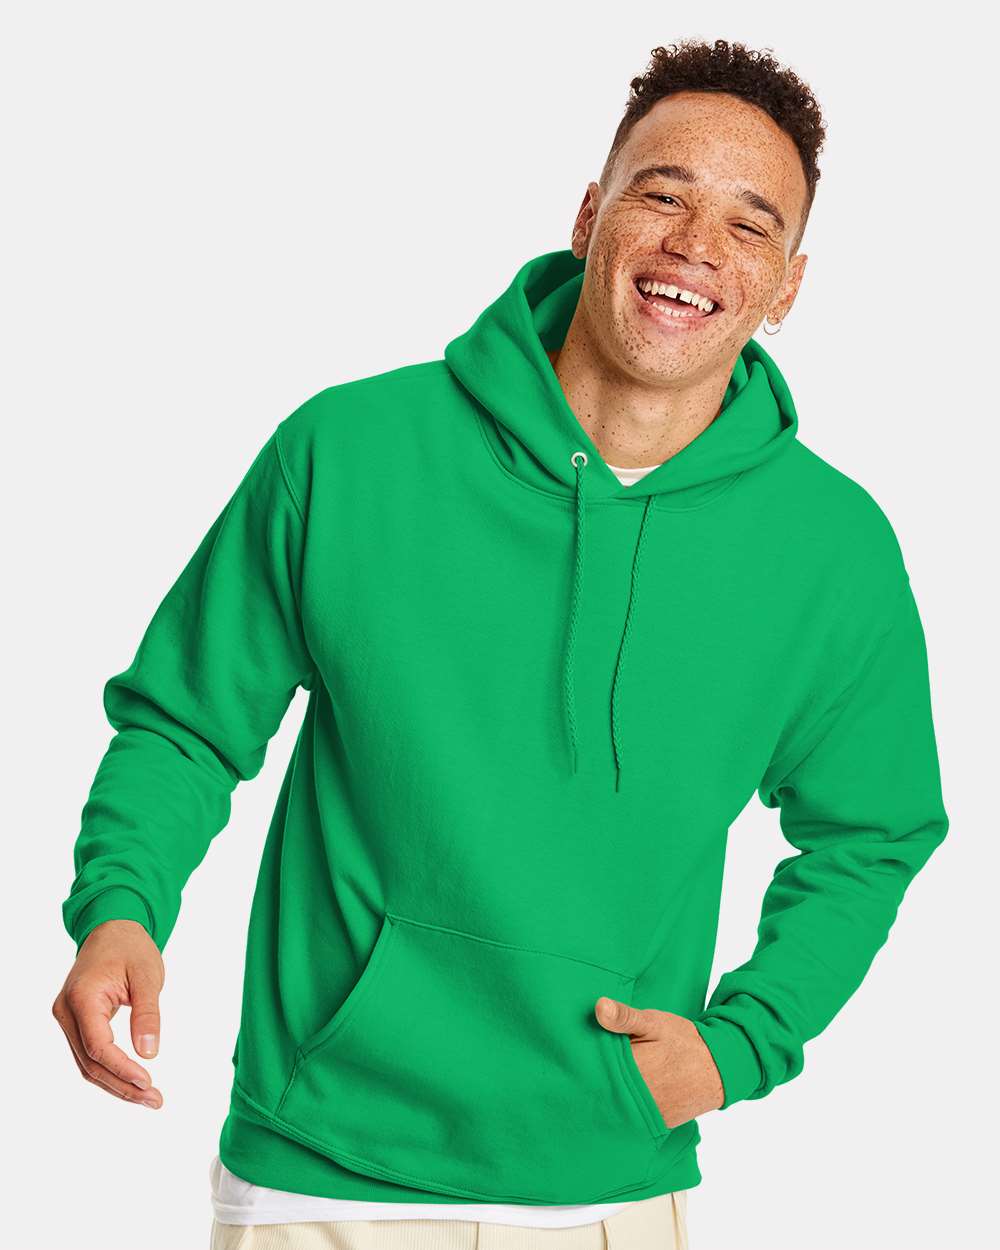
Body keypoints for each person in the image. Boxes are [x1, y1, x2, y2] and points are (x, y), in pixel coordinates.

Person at [53, 37, 950, 1250]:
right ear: (588, 217)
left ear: (786, 286)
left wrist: (743, 1042)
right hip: (321, 1171)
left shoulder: (832, 548)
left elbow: (872, 830)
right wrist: (120, 906)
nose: (697, 244)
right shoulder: (350, 451)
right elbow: (187, 720)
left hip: (608, 1182)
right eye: (662, 194)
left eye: (750, 224)